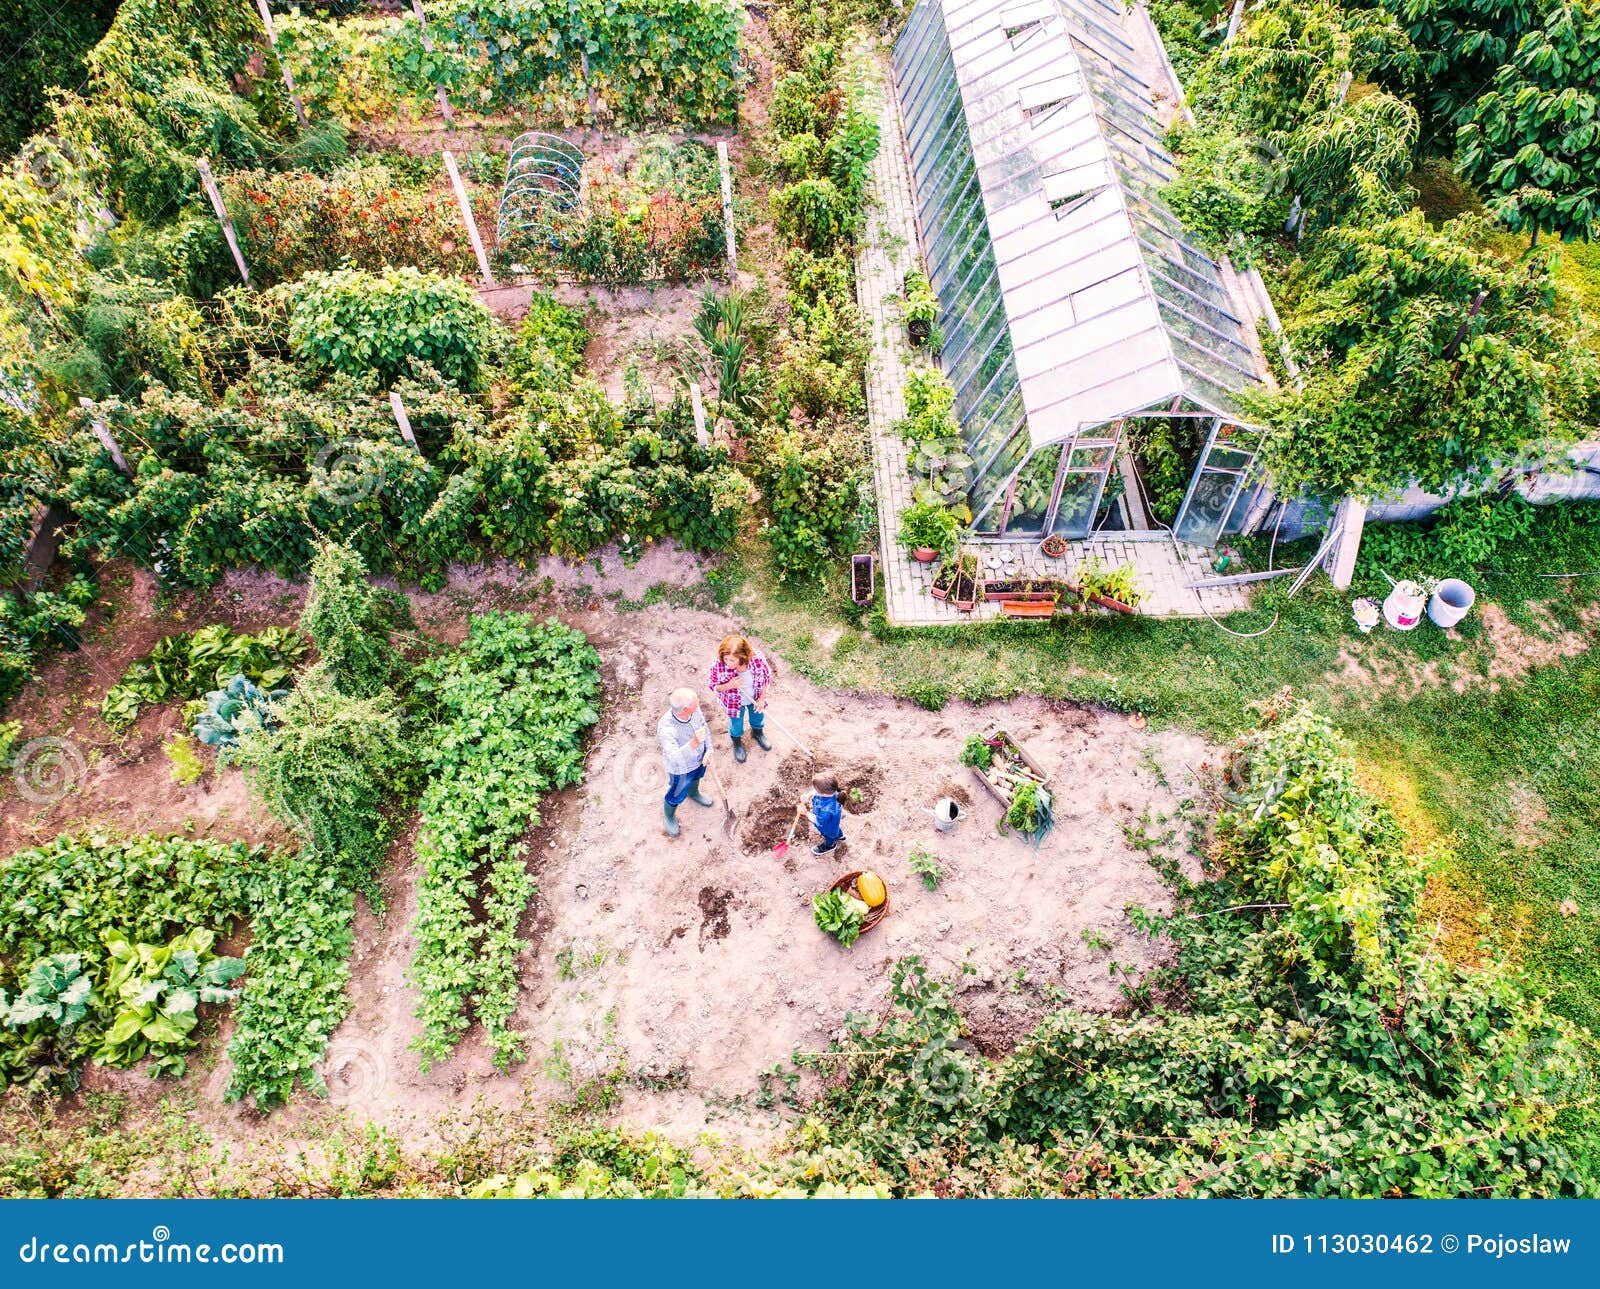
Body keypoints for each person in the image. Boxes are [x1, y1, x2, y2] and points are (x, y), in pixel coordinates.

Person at [658, 687, 715, 838]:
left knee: (696, 778)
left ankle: (694, 793)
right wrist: (693, 743)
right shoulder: (666, 728)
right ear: (684, 709)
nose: (699, 704)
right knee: (676, 793)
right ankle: (669, 816)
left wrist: (709, 749)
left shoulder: (695, 711)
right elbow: (674, 757)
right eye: (696, 702)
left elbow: (705, 728)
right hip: (681, 769)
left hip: (699, 759)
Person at [708, 634, 774, 764]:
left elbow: (766, 678)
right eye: (726, 659)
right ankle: (737, 742)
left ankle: (757, 733)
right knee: (736, 724)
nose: (728, 663)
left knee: (758, 717)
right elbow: (714, 686)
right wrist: (729, 685)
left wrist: (761, 699)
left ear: (743, 657)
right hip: (733, 702)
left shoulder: (757, 659)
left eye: (732, 660)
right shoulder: (718, 664)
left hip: (755, 698)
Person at [801, 771, 846, 857]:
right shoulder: (834, 791)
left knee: (829, 835)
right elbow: (817, 792)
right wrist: (808, 795)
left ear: (823, 793)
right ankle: (840, 836)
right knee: (835, 829)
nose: (814, 790)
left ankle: (830, 845)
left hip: (827, 827)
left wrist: (805, 813)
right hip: (833, 823)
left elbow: (819, 821)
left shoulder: (827, 810)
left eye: (816, 789)